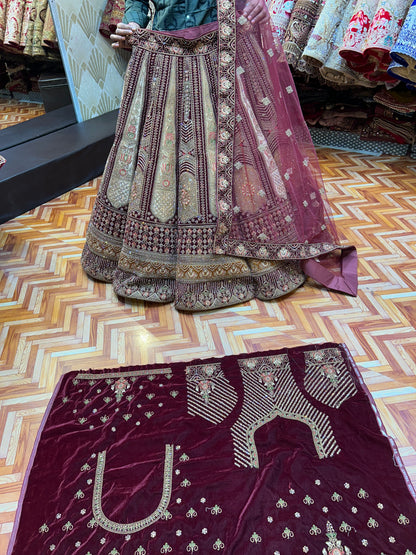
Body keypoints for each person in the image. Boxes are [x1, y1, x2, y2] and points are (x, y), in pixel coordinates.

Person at [81, 0, 357, 311]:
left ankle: (242, 255)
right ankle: (158, 263)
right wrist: (132, 23)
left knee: (239, 156)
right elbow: (135, 3)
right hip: (163, 60)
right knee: (160, 162)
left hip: (222, 56)